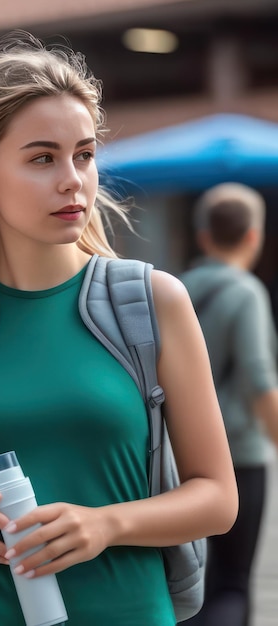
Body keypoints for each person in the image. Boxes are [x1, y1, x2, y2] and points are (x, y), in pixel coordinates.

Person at [0, 31, 238, 625]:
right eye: (41, 158)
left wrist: (107, 523)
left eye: (83, 154)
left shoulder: (152, 301)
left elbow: (218, 498)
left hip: (127, 611)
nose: (72, 180)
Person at [181, 182, 278, 626]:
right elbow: (260, 380)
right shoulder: (246, 293)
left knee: (194, 580)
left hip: (182, 457)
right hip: (240, 455)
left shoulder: (174, 289)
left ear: (204, 236)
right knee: (233, 583)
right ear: (254, 236)